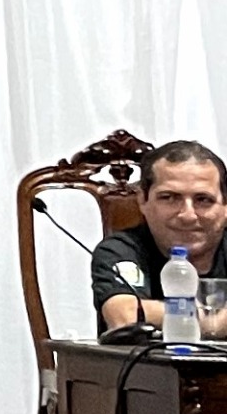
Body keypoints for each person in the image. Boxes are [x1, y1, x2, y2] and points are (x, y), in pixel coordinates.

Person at [94, 140, 227, 334]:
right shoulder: (120, 250)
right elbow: (125, 316)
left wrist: (160, 313)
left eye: (203, 200)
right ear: (142, 201)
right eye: (169, 198)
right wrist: (210, 322)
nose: (187, 215)